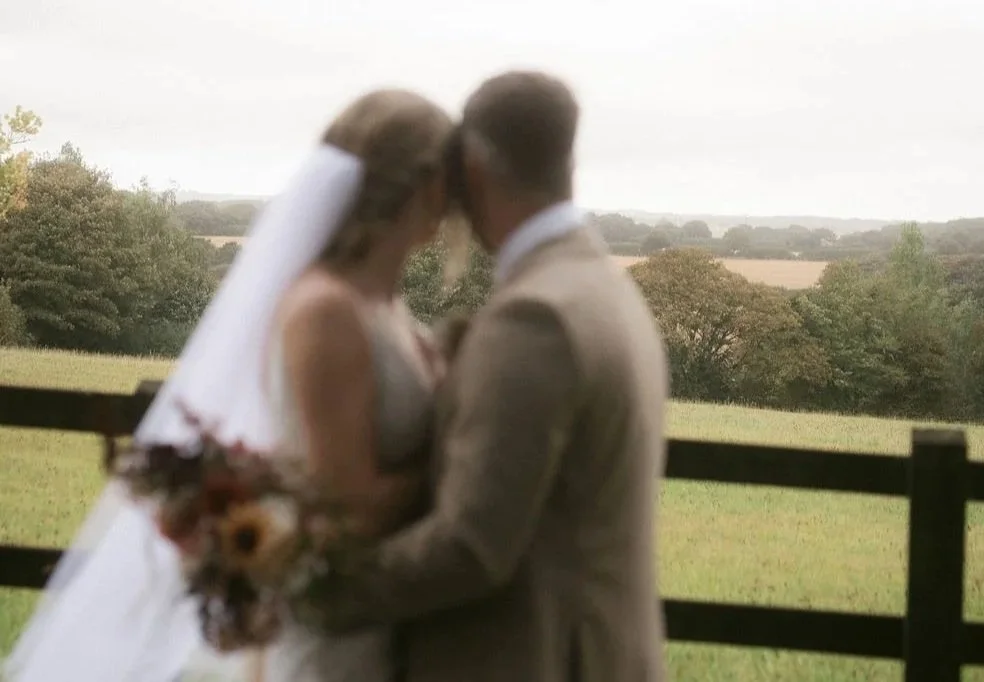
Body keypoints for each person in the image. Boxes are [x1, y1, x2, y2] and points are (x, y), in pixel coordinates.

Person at [4, 88, 461, 682]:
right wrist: (473, 473)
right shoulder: (326, 310)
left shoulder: (390, 309)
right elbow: (346, 504)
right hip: (343, 636)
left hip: (396, 617)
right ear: (428, 187)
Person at [315, 70, 670, 682]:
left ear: (471, 170)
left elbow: (472, 547)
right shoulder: (605, 290)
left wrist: (312, 596)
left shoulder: (535, 318)